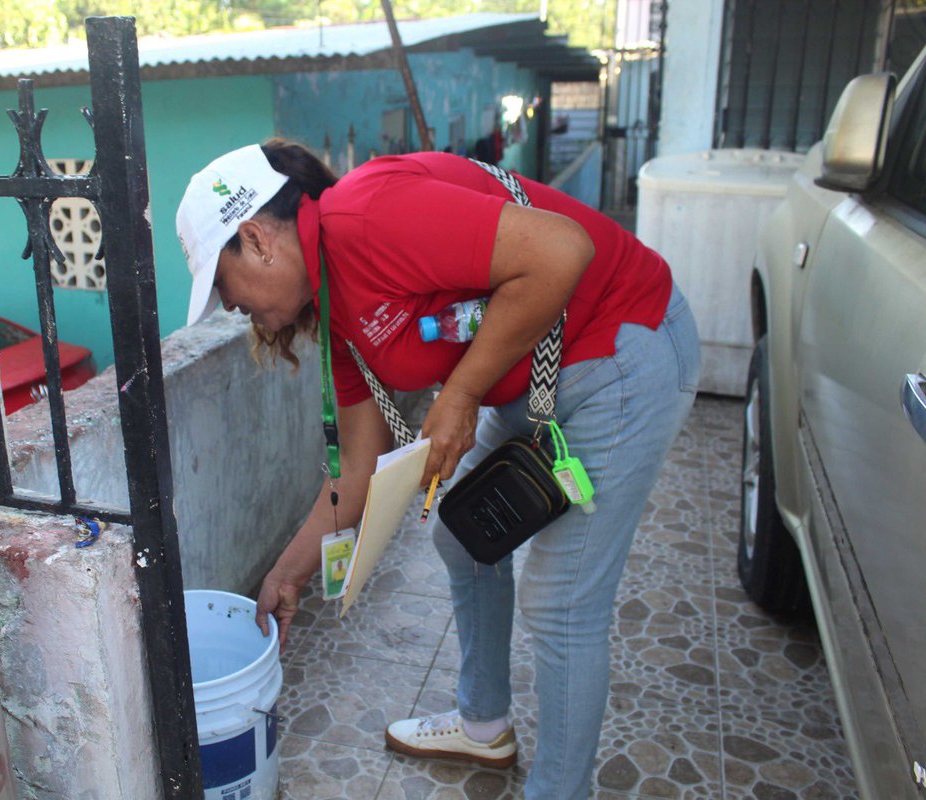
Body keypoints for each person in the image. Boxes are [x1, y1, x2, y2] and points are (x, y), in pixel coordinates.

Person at [176, 139, 700, 799]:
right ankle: (484, 725)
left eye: (222, 286)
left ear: (255, 239)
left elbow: (563, 252)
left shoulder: (368, 214)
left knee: (562, 603)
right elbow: (357, 472)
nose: (229, 308)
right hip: (533, 387)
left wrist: (461, 394)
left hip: (620, 348)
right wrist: (287, 574)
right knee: (461, 535)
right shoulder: (337, 311)